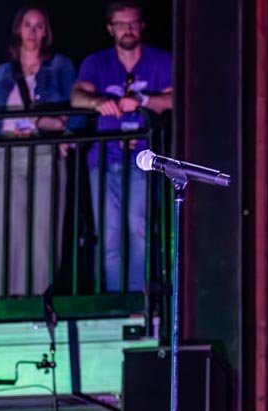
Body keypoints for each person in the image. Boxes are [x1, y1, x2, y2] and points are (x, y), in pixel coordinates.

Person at [70, 1, 172, 293]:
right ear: (109, 29)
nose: (127, 29)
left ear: (142, 26)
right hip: (103, 160)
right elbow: (77, 95)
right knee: (110, 234)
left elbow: (176, 97)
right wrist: (98, 103)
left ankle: (138, 301)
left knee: (138, 227)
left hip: (143, 159)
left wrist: (142, 101)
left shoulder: (160, 60)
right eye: (121, 24)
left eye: (132, 23)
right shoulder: (97, 62)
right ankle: (117, 299)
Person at [0, 4, 76, 296]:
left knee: (44, 232)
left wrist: (56, 129)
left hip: (44, 152)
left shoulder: (59, 65)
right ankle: (10, 300)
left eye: (39, 26)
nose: (33, 32)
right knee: (9, 230)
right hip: (9, 153)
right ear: (18, 29)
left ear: (46, 32)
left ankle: (42, 300)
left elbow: (70, 114)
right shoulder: (3, 71)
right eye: (28, 25)